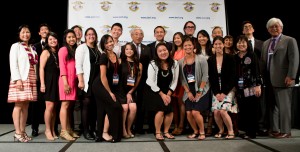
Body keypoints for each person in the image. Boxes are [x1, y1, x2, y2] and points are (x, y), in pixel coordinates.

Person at [261, 17, 299, 138]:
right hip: (268, 79)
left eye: (276, 26)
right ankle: (275, 129)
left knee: (284, 106)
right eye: (271, 27)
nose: (274, 28)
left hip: (284, 79)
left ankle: (286, 131)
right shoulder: (266, 43)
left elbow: (294, 59)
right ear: (268, 29)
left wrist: (291, 76)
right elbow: (263, 61)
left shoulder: (289, 40)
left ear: (281, 28)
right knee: (273, 107)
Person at [7, 24, 38, 142]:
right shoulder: (16, 46)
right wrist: (17, 79)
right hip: (20, 78)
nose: (26, 34)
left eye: (28, 32)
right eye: (23, 32)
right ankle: (17, 132)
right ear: (19, 35)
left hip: (30, 77)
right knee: (18, 105)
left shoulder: (31, 47)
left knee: (26, 105)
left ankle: (23, 130)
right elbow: (13, 63)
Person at [144, 42, 179, 141]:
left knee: (170, 110)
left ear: (168, 51)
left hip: (167, 91)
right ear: (156, 53)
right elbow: (150, 81)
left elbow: (175, 81)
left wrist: (168, 94)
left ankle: (166, 131)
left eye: (164, 50)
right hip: (154, 90)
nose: (163, 52)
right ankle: (158, 132)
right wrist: (162, 95)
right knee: (161, 110)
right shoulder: (153, 63)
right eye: (160, 51)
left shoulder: (175, 63)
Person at [92, 34, 123, 143]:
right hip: (99, 86)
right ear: (103, 45)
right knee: (115, 106)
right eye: (107, 42)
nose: (110, 44)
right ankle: (106, 133)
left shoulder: (115, 54)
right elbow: (103, 77)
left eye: (111, 41)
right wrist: (110, 92)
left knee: (102, 110)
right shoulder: (104, 56)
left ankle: (100, 135)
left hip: (107, 85)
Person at [179, 37, 210, 140]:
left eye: (189, 45)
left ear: (193, 46)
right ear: (183, 47)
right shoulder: (180, 62)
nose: (188, 47)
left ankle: (202, 132)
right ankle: (195, 131)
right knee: (188, 113)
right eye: (185, 45)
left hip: (202, 89)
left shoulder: (201, 59)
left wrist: (200, 91)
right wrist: (188, 92)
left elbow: (205, 76)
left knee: (195, 112)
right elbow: (182, 79)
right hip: (189, 91)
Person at [241, 20, 267, 136]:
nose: (247, 28)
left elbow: (265, 61)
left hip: (259, 79)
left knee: (260, 104)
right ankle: (249, 128)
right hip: (245, 81)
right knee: (248, 105)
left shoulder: (262, 44)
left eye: (249, 26)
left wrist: (259, 81)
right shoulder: (240, 45)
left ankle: (260, 127)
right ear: (242, 31)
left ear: (253, 29)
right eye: (245, 27)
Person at [208, 36, 236, 139]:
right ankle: (221, 130)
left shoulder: (230, 58)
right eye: (216, 44)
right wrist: (216, 93)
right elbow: (211, 78)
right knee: (216, 112)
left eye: (220, 43)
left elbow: (233, 77)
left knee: (223, 111)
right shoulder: (210, 59)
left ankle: (230, 131)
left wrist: (224, 93)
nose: (218, 46)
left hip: (228, 89)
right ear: (213, 46)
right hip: (216, 90)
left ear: (223, 45)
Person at [234, 35, 262, 139]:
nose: (241, 44)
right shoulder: (235, 57)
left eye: (243, 42)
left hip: (251, 87)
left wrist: (258, 85)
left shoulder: (252, 55)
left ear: (247, 44)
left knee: (252, 110)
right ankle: (246, 131)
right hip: (240, 88)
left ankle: (252, 132)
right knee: (244, 109)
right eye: (239, 42)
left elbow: (257, 70)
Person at [125, 28, 152, 134]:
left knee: (141, 105)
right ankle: (127, 127)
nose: (139, 36)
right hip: (127, 82)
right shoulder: (126, 47)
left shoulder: (147, 48)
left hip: (143, 81)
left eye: (141, 34)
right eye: (136, 34)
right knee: (128, 104)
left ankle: (138, 128)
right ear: (131, 36)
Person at [75, 27, 100, 140]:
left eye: (93, 34)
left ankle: (92, 129)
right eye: (89, 34)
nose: (91, 36)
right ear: (85, 36)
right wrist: (81, 80)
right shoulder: (82, 48)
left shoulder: (98, 48)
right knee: (86, 105)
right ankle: (85, 131)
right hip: (86, 81)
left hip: (96, 82)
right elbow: (78, 65)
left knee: (94, 106)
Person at [58, 29, 79, 141]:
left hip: (73, 81)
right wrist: (65, 83)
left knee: (69, 106)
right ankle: (63, 131)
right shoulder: (63, 49)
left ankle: (69, 129)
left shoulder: (74, 50)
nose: (72, 39)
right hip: (65, 81)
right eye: (69, 37)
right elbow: (62, 66)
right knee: (65, 105)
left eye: (73, 37)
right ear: (65, 39)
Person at [118, 43, 142, 138]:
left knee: (133, 108)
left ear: (134, 50)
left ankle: (128, 128)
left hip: (130, 91)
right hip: (120, 90)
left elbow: (137, 82)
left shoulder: (139, 65)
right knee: (125, 108)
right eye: (126, 49)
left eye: (131, 49)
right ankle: (123, 130)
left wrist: (130, 92)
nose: (129, 51)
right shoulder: (120, 61)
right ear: (124, 51)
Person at [39, 32, 60, 140]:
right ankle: (47, 130)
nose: (53, 41)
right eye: (50, 39)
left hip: (57, 81)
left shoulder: (57, 52)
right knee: (49, 107)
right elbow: (41, 68)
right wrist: (42, 83)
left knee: (55, 108)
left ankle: (52, 129)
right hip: (48, 81)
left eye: (55, 39)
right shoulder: (45, 52)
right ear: (47, 41)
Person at [30, 23, 50, 137]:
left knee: (52, 105)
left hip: (51, 79)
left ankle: (53, 128)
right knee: (36, 105)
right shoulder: (34, 46)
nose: (44, 31)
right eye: (42, 29)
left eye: (46, 29)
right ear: (39, 33)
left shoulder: (54, 44)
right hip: (37, 80)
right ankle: (34, 128)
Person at [170, 32, 185, 136]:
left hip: (182, 80)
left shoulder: (185, 51)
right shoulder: (172, 52)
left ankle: (181, 125)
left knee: (181, 103)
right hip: (173, 81)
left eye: (178, 38)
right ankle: (175, 125)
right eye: (175, 38)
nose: (177, 40)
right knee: (174, 104)